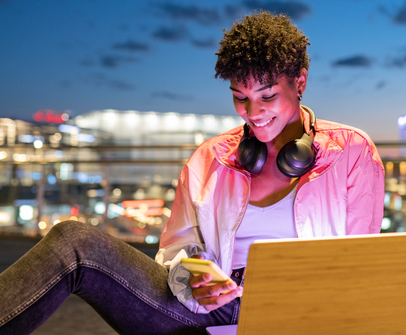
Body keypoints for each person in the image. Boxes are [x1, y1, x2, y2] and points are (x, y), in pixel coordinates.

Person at [0, 11, 384, 335]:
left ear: (299, 82)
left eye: (267, 96)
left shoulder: (350, 153)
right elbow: (174, 252)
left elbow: (357, 267)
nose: (253, 113)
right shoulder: (210, 157)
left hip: (298, 311)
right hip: (206, 310)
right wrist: (194, 279)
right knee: (73, 241)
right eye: (240, 97)